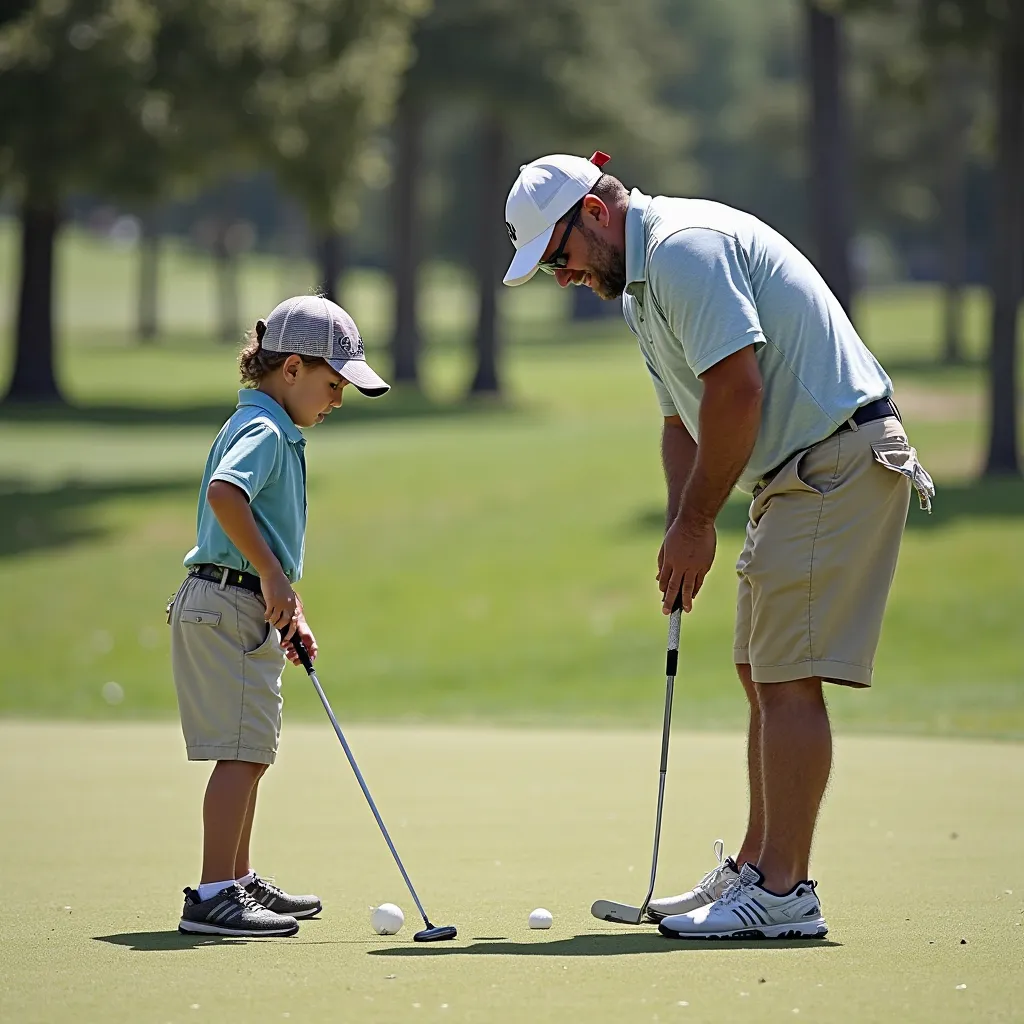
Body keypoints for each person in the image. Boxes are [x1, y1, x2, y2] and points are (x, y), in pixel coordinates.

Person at [502, 153, 934, 940]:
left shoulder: (683, 251)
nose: (560, 276)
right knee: (757, 666)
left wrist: (701, 523)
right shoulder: (639, 287)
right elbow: (683, 419)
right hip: (794, 472)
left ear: (595, 216)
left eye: (558, 256)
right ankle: (757, 865)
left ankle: (782, 891)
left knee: (788, 677)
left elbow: (738, 391)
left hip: (836, 458)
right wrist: (678, 527)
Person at [168, 295, 390, 937]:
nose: (337, 401)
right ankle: (214, 893)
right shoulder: (264, 430)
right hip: (227, 600)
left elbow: (257, 529)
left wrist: (284, 599)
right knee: (239, 753)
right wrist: (269, 576)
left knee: (252, 750)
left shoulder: (271, 426)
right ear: (290, 368)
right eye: (332, 385)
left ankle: (235, 880)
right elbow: (224, 495)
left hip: (242, 602)